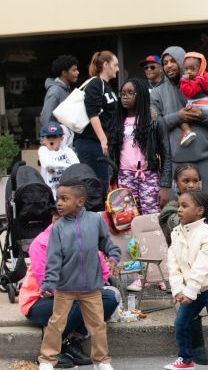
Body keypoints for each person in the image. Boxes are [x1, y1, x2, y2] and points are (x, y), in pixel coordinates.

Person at [37, 181, 121, 370]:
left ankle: (101, 361)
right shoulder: (58, 227)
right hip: (65, 288)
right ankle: (47, 359)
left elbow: (105, 242)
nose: (58, 203)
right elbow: (53, 258)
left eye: (64, 199)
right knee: (56, 323)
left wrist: (114, 255)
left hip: (92, 286)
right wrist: (48, 283)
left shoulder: (95, 220)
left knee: (98, 325)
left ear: (80, 201)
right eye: (58, 198)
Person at [19, 219, 118, 368]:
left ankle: (73, 341)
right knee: (76, 300)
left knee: (109, 298)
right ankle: (53, 350)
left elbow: (102, 273)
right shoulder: (41, 243)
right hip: (38, 301)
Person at [158, 164, 208, 365]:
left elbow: (203, 262)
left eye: (195, 180)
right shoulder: (172, 212)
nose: (191, 185)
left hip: (200, 280)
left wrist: (190, 289)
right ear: (176, 184)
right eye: (185, 181)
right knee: (185, 321)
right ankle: (191, 354)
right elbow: (173, 263)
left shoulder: (203, 223)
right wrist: (179, 289)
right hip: (188, 280)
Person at [108, 78, 172, 214]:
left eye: (130, 93)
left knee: (152, 218)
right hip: (124, 177)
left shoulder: (155, 121)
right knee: (126, 219)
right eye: (123, 94)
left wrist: (165, 186)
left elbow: (166, 154)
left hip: (149, 176)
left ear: (141, 95)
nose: (125, 97)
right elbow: (111, 155)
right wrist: (111, 182)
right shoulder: (117, 122)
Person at [152, 46, 208, 192]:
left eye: (173, 61)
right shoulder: (157, 93)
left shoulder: (204, 85)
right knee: (179, 210)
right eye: (165, 62)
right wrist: (178, 116)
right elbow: (153, 126)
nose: (169, 65)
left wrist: (201, 115)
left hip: (205, 160)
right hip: (174, 164)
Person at [73, 51, 119, 191]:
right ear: (106, 65)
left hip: (99, 142)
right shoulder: (96, 83)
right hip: (91, 142)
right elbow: (92, 113)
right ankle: (96, 213)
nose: (117, 69)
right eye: (115, 65)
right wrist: (103, 140)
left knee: (103, 183)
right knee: (98, 185)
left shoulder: (106, 85)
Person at [38, 122, 79, 198]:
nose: (51, 139)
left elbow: (77, 166)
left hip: (68, 193)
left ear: (61, 138)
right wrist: (68, 167)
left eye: (54, 136)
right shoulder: (43, 150)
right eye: (48, 137)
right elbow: (48, 163)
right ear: (43, 139)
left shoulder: (67, 150)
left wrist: (60, 167)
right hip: (50, 194)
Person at [40, 54, 80, 127]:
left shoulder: (66, 89)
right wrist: (52, 135)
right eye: (74, 70)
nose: (78, 72)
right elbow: (46, 118)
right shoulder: (55, 91)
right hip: (57, 136)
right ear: (64, 73)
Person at [178, 52, 208, 147]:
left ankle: (187, 132)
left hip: (198, 105)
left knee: (182, 119)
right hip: (205, 105)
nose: (189, 72)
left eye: (192, 69)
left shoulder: (197, 81)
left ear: (201, 69)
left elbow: (189, 92)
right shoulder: (205, 78)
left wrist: (184, 81)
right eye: (186, 69)